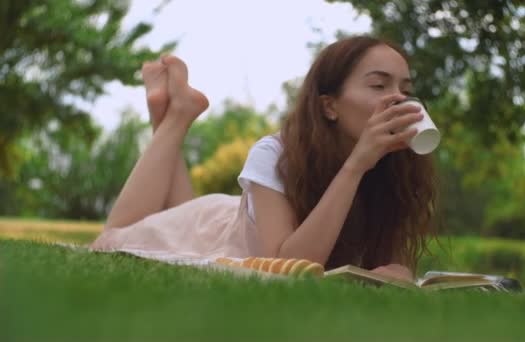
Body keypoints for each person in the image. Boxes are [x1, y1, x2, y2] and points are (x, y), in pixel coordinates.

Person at [90, 35, 438, 282]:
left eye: (405, 90)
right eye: (379, 86)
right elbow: (289, 267)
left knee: (180, 216)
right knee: (111, 240)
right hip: (212, 229)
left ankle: (173, 112)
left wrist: (400, 271)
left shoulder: (396, 165)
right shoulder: (276, 153)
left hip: (238, 223)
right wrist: (357, 164)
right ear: (329, 105)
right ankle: (175, 117)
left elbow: (392, 259)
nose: (397, 100)